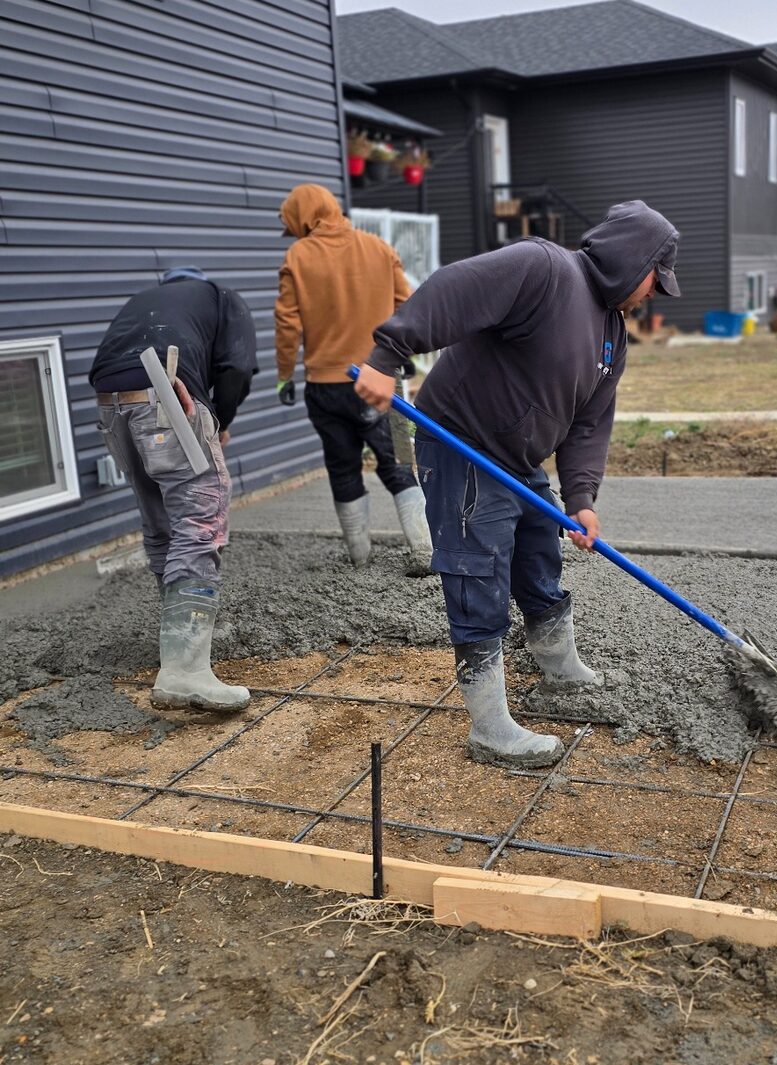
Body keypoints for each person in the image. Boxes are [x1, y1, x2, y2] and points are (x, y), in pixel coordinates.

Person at [354, 200, 680, 768]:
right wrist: (389, 352)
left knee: (539, 554)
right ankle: (489, 727)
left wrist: (581, 499)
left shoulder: (612, 334)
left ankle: (558, 668)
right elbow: (455, 290)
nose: (657, 293)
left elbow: (588, 423)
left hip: (519, 459)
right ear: (634, 261)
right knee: (476, 569)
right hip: (464, 443)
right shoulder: (544, 269)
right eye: (657, 278)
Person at [89, 266, 257, 713]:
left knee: (163, 523)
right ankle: (184, 670)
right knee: (201, 519)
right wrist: (218, 418)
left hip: (111, 402)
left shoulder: (148, 299)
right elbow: (237, 367)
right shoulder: (223, 296)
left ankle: (179, 642)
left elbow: (108, 362)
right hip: (165, 392)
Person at [274, 183, 431, 570]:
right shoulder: (377, 248)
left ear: (304, 218)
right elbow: (406, 305)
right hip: (381, 379)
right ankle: (427, 552)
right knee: (398, 462)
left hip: (325, 387)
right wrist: (401, 354)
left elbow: (286, 324)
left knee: (342, 466)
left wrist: (283, 377)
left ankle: (359, 559)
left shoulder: (298, 256)